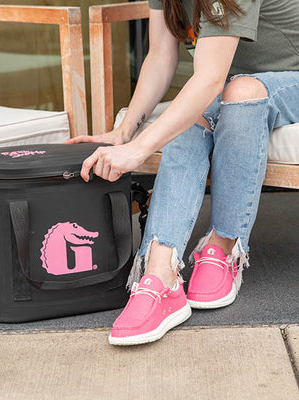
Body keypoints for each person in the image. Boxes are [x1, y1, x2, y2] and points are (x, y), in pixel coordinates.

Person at [66, 0, 299, 346]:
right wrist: (124, 132)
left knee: (240, 92)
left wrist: (139, 149)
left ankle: (223, 247)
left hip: (285, 79)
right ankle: (160, 275)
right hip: (229, 81)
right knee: (192, 113)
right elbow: (161, 55)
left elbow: (209, 79)